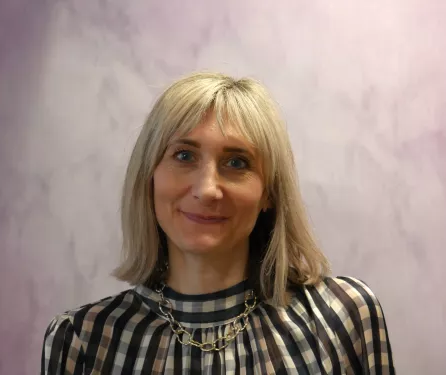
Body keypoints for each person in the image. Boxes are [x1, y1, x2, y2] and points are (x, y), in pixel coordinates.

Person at [41, 72, 395, 374]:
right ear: (149, 176)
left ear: (268, 192)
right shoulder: (82, 340)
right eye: (184, 155)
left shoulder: (344, 314)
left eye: (237, 163)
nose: (207, 189)